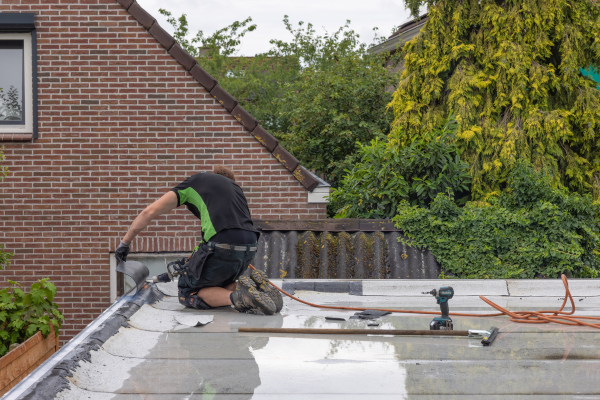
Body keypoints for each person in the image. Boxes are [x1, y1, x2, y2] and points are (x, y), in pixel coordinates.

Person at [114, 165, 283, 315]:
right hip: (250, 246)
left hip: (223, 244)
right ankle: (256, 290)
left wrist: (125, 243)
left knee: (187, 290)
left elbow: (148, 213)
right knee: (220, 282)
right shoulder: (235, 189)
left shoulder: (194, 182)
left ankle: (242, 297)